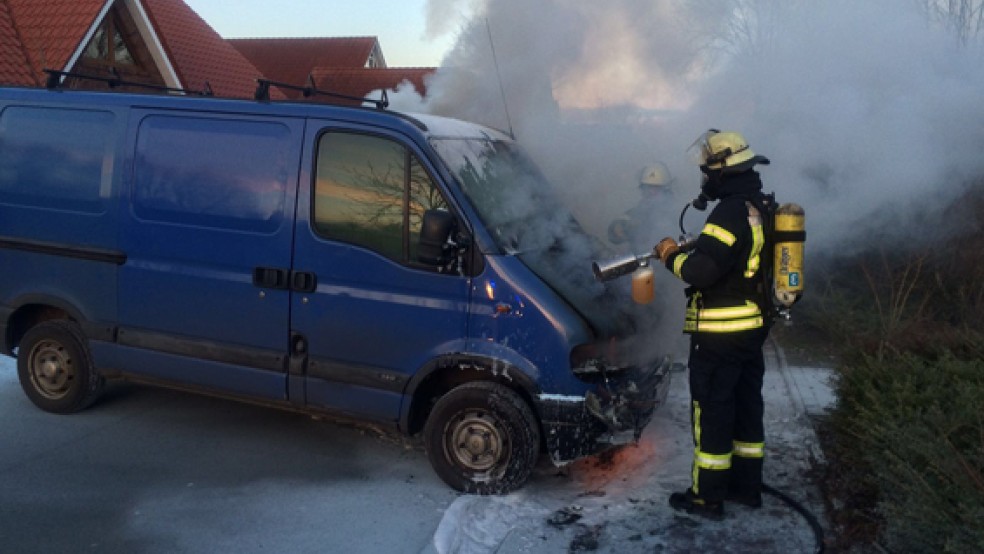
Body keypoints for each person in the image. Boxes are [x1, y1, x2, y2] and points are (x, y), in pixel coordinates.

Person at [653, 130, 772, 519]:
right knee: (746, 407)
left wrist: (670, 256)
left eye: (708, 170)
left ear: (722, 171)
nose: (705, 177)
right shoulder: (760, 206)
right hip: (750, 331)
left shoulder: (729, 212)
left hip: (719, 335)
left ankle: (706, 497)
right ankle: (746, 488)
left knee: (713, 412)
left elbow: (702, 272)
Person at [607, 162, 675, 253]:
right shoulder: (637, 213)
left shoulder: (678, 213)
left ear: (666, 190)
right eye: (647, 187)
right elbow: (614, 233)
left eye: (656, 188)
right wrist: (621, 227)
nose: (651, 192)